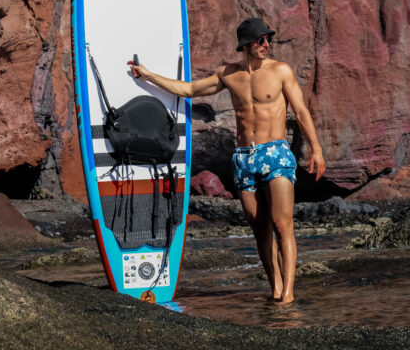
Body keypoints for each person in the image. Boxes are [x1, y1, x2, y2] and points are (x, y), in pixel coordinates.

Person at [128, 17, 325, 303]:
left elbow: (301, 111)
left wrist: (316, 148)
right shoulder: (228, 74)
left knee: (282, 225)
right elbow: (190, 90)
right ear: (245, 44)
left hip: (276, 154)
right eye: (260, 40)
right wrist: (147, 75)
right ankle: (275, 289)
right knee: (259, 229)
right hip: (245, 158)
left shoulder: (281, 71)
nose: (266, 44)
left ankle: (289, 296)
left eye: (268, 39)